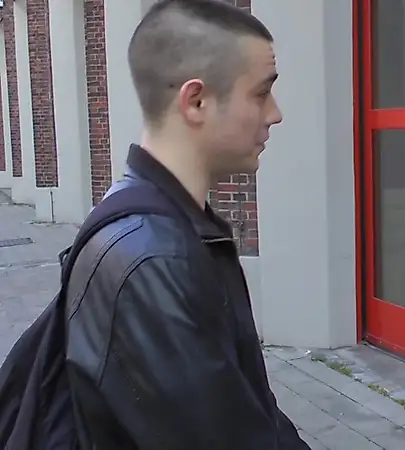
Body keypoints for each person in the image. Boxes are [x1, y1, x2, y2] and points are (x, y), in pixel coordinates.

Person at [63, 1, 310, 449]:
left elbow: (245, 407)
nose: (275, 113)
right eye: (261, 93)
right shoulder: (154, 258)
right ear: (196, 102)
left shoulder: (170, 227)